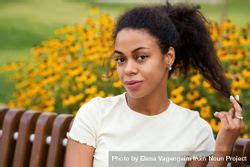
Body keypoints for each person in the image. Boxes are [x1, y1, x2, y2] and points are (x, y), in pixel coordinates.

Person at [65, 2, 245, 167]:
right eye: (121, 59)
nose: (128, 69)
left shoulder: (194, 130)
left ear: (168, 57)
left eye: (141, 57)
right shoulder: (96, 115)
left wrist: (222, 147)